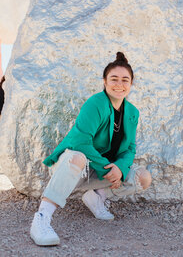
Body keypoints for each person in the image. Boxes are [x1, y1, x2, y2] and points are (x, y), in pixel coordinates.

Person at [30, 52, 152, 246]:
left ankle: (97, 197)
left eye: (125, 80)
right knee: (77, 157)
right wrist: (108, 168)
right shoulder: (95, 103)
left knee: (143, 177)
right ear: (104, 81)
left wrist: (119, 169)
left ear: (131, 84)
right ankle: (42, 219)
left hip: (101, 170)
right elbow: (80, 142)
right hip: (75, 166)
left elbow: (129, 148)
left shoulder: (132, 112)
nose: (119, 84)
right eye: (114, 79)